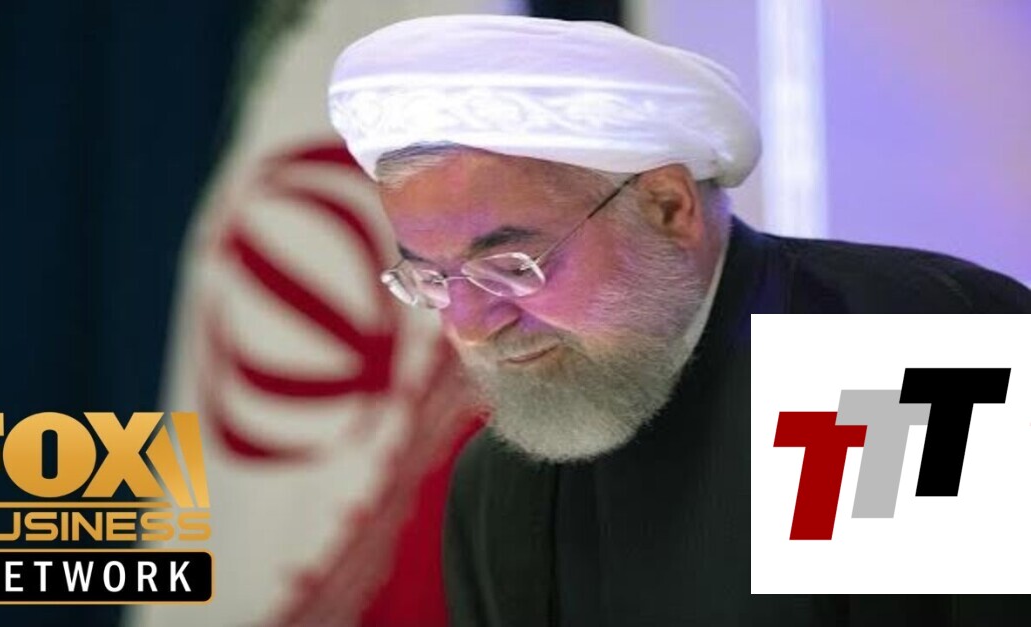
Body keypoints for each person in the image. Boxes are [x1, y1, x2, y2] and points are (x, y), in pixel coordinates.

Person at [327, 14, 1031, 626]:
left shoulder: (887, 362)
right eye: (431, 279)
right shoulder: (501, 479)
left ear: (668, 207)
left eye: (511, 266)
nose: (472, 325)